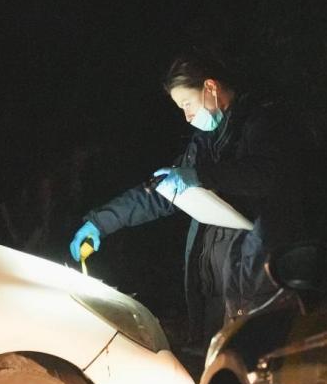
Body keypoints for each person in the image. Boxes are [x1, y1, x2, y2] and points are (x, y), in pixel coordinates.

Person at [69, 52, 305, 353]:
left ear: (210, 87)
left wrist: (200, 175)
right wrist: (100, 222)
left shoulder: (263, 122)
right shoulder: (204, 143)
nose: (187, 116)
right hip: (215, 291)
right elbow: (159, 195)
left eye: (188, 104)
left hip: (257, 285)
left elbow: (266, 175)